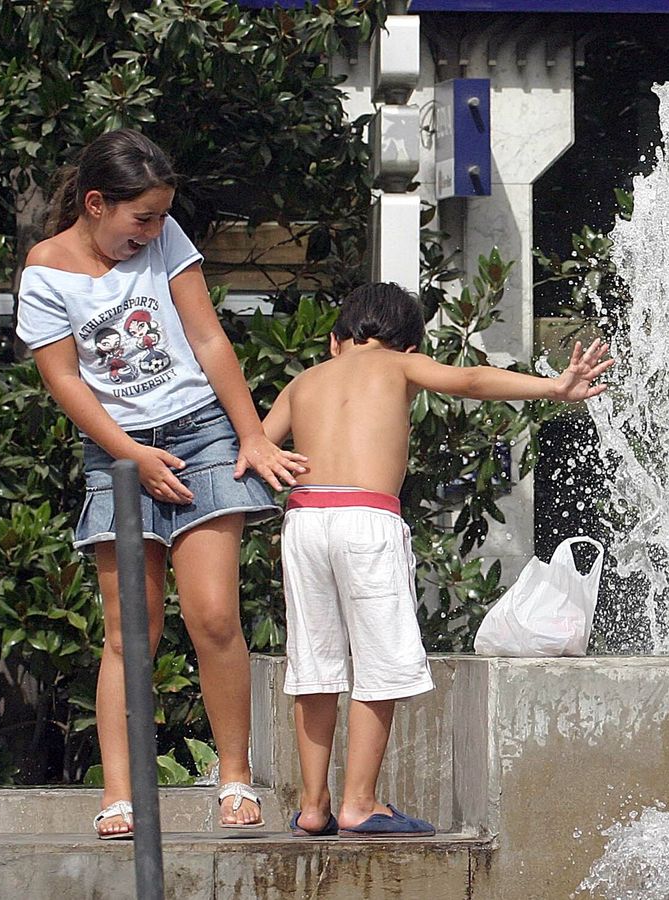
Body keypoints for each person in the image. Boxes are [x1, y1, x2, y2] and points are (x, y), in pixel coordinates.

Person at [16, 129, 308, 839]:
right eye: (139, 219)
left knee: (213, 616)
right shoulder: (45, 272)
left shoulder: (165, 237)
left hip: (200, 433)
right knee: (130, 635)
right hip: (117, 454)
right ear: (94, 204)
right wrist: (131, 457)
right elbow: (64, 380)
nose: (149, 231)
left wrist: (249, 433)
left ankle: (233, 776)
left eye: (158, 218)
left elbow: (208, 337)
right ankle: (119, 792)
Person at [262, 282, 612, 837]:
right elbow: (471, 380)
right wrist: (554, 387)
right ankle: (359, 802)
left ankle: (312, 805)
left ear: (335, 342)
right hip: (366, 518)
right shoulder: (400, 366)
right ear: (408, 345)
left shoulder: (303, 381)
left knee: (315, 665)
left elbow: (259, 448)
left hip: (304, 521)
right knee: (378, 664)